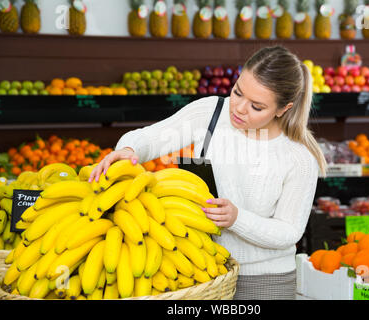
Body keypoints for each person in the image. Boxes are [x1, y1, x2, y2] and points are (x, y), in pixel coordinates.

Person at [89, 45, 327, 300]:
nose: (239, 108)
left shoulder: (299, 158)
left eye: (256, 106)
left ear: (283, 108)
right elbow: (152, 136)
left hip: (265, 283)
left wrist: (237, 218)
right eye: (237, 92)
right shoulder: (212, 113)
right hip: (203, 271)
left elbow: (289, 231)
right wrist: (129, 148)